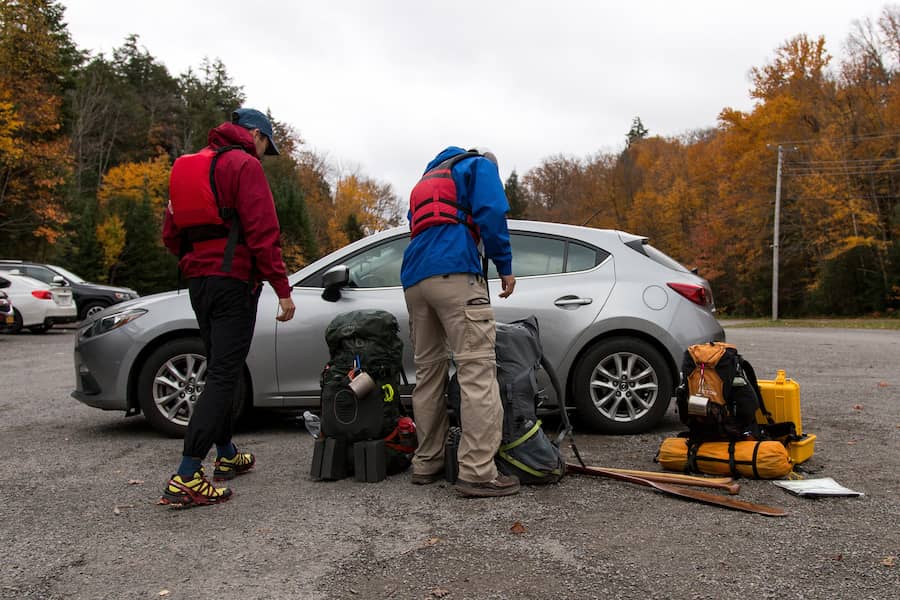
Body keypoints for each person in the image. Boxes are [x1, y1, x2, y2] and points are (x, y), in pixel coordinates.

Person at [159, 108, 296, 507]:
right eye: (265, 145)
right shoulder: (243, 165)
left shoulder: (188, 166)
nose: (262, 153)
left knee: (221, 366)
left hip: (198, 280)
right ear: (254, 135)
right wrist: (281, 288)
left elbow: (171, 233)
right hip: (233, 282)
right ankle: (187, 474)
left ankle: (228, 454)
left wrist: (196, 263)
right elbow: (263, 231)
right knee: (223, 373)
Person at [400, 146, 519, 498]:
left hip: (415, 279)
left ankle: (427, 461)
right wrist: (505, 266)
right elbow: (492, 212)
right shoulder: (479, 166)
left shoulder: (426, 181)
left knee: (428, 372)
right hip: (455, 272)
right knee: (476, 371)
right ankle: (478, 472)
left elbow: (416, 226)